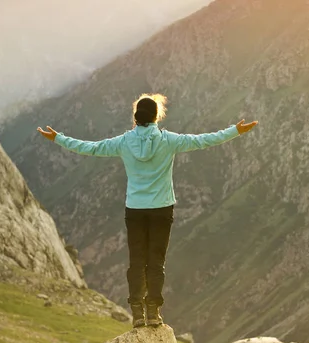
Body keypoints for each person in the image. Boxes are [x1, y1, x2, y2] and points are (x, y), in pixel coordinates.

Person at [37, 94, 258, 327]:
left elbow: (90, 148)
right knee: (156, 262)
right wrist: (235, 130)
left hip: (135, 210)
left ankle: (137, 313)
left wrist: (57, 138)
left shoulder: (123, 142)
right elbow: (204, 140)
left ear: (135, 117)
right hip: (162, 208)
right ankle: (153, 311)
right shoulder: (169, 140)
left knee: (136, 261)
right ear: (157, 117)